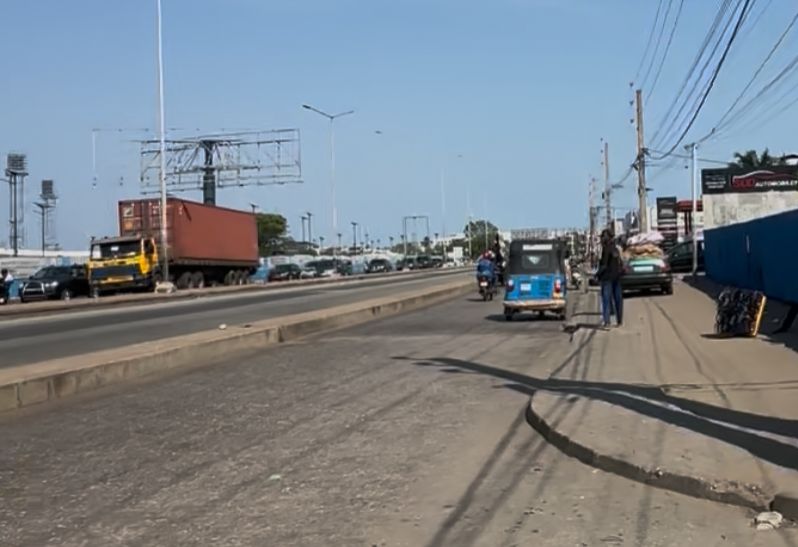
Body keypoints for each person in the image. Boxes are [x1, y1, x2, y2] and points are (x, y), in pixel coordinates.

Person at [597, 230, 623, 328]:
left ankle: (607, 322)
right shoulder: (616, 249)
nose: (601, 239)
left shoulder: (606, 249)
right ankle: (619, 321)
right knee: (618, 300)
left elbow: (604, 265)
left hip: (607, 278)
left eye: (603, 237)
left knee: (606, 300)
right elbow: (620, 263)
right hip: (617, 277)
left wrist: (597, 275)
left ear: (606, 238)